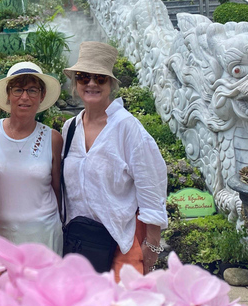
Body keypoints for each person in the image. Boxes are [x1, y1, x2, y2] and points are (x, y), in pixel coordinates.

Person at [61, 42, 168, 281]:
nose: (91, 84)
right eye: (83, 77)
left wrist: (152, 245)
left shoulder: (127, 128)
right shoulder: (70, 129)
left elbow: (152, 186)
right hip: (82, 246)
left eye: (100, 78)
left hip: (122, 243)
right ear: (75, 83)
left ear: (111, 84)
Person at [0, 62, 64, 255]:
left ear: (41, 96)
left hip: (44, 235)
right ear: (8, 95)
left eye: (32, 90)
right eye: (18, 90)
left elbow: (57, 189)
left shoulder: (53, 138)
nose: (25, 97)